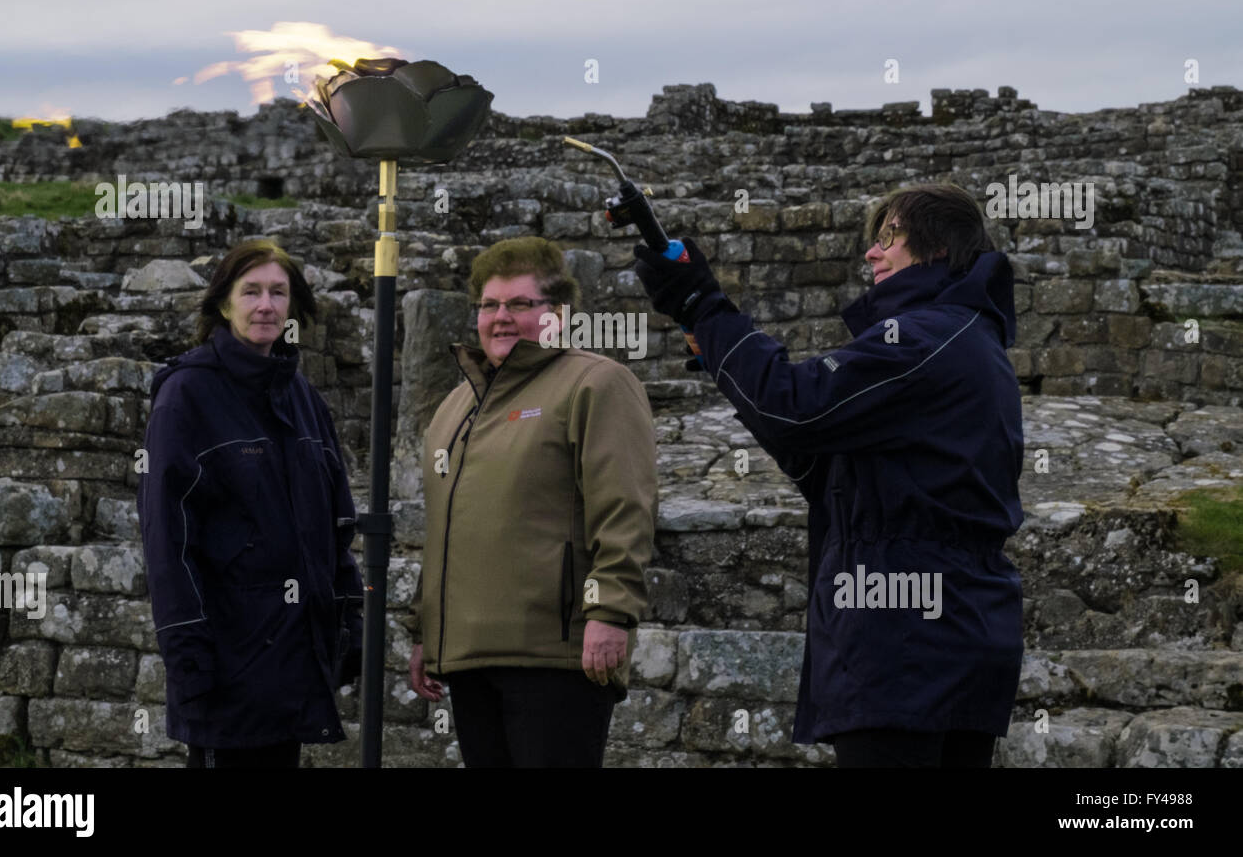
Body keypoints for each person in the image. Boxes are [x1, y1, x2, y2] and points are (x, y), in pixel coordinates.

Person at [634, 184, 1024, 768]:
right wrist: (723, 352)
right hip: (955, 633)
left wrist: (703, 308)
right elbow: (828, 467)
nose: (872, 253)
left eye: (890, 237)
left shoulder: (923, 338)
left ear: (939, 249)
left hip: (905, 646)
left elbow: (792, 407)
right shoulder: (966, 339)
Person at [408, 236, 657, 767]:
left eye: (521, 304)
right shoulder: (455, 407)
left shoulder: (596, 384)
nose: (501, 317)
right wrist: (426, 631)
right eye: (490, 305)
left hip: (557, 656)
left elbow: (624, 509)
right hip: (468, 654)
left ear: (559, 314)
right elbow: (443, 527)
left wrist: (611, 611)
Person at [138, 238, 363, 768]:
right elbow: (167, 539)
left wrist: (347, 620)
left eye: (279, 292)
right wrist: (188, 656)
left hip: (292, 660)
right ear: (223, 303)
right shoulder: (186, 394)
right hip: (228, 660)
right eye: (251, 291)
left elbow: (334, 529)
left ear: (293, 306)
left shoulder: (301, 396)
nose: (266, 305)